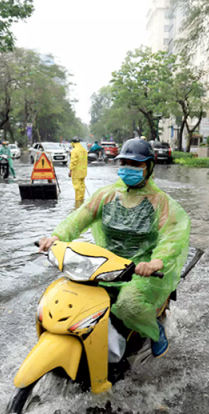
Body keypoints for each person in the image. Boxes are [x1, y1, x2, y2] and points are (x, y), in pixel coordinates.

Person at [38, 138, 191, 358]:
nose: (128, 168)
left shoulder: (161, 203)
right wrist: (56, 237)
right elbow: (78, 218)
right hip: (105, 267)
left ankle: (153, 329)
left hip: (142, 272)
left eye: (135, 164)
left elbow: (172, 238)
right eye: (124, 163)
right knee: (68, 298)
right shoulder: (106, 195)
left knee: (129, 306)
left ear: (149, 167)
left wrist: (156, 262)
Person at [68, 136, 88, 204]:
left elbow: (73, 162)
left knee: (77, 188)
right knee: (82, 187)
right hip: (83, 172)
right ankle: (82, 200)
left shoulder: (74, 150)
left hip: (77, 173)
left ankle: (78, 203)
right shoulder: (84, 150)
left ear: (73, 143)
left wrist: (70, 170)